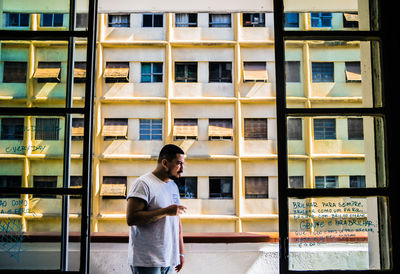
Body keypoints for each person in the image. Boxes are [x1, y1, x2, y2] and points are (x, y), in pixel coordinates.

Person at [126, 144, 187, 274]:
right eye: (179, 164)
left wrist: (180, 254)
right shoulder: (143, 183)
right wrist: (165, 211)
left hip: (169, 259)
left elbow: (177, 222)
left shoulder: (173, 186)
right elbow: (132, 218)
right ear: (165, 163)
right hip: (147, 261)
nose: (182, 169)